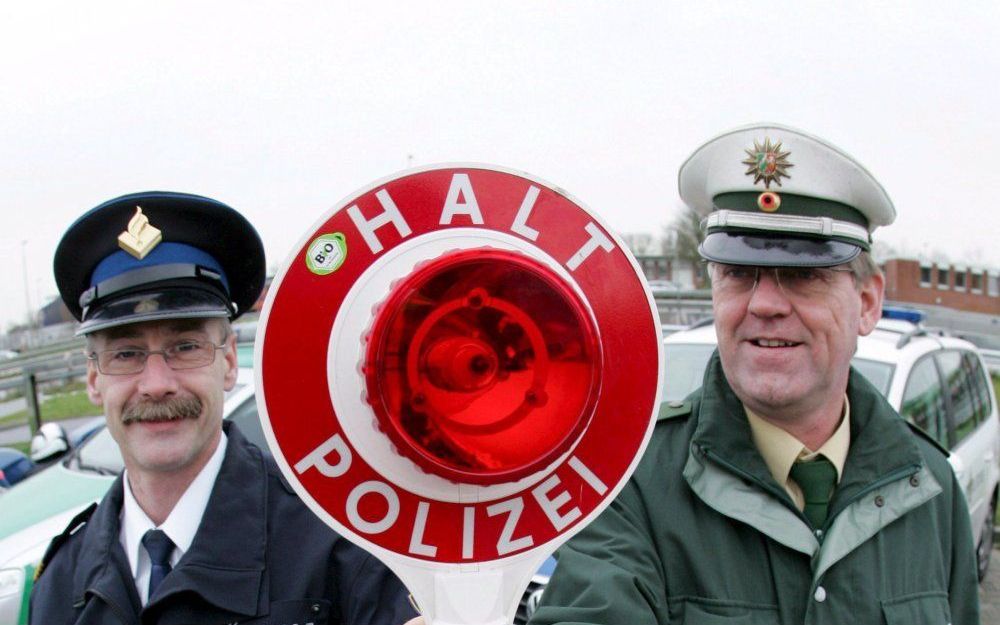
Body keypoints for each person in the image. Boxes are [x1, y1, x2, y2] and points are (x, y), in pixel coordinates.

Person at [530, 124, 980, 624]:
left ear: (868, 302)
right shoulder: (630, 482)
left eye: (805, 275)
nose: (765, 304)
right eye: (739, 273)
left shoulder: (929, 486)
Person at [31, 191, 419, 625]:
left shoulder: (338, 545)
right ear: (93, 380)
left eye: (186, 347)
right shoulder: (61, 579)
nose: (157, 384)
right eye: (126, 355)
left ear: (229, 361)